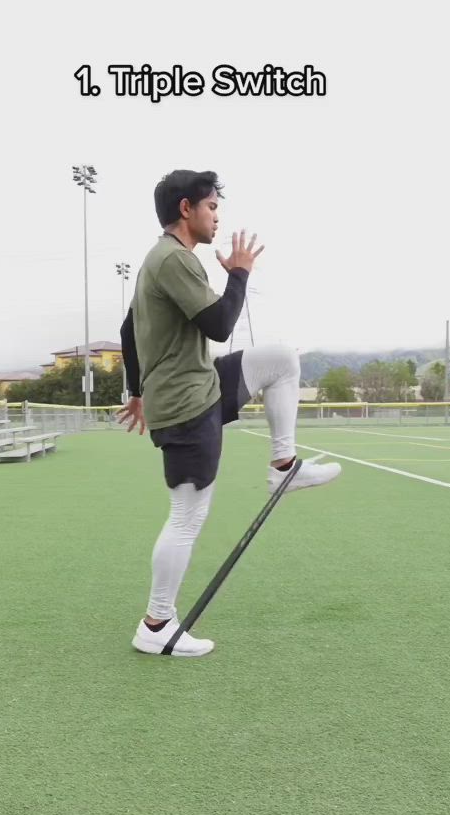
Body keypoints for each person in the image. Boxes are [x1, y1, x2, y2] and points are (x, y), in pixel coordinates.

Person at [118, 169, 341, 657]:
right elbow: (219, 325)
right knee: (186, 516)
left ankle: (284, 466)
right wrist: (238, 273)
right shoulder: (173, 259)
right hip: (186, 404)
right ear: (186, 209)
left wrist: (136, 391)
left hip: (197, 386)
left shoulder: (167, 260)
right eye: (212, 207)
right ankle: (156, 623)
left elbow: (126, 328)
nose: (218, 216)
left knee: (282, 358)